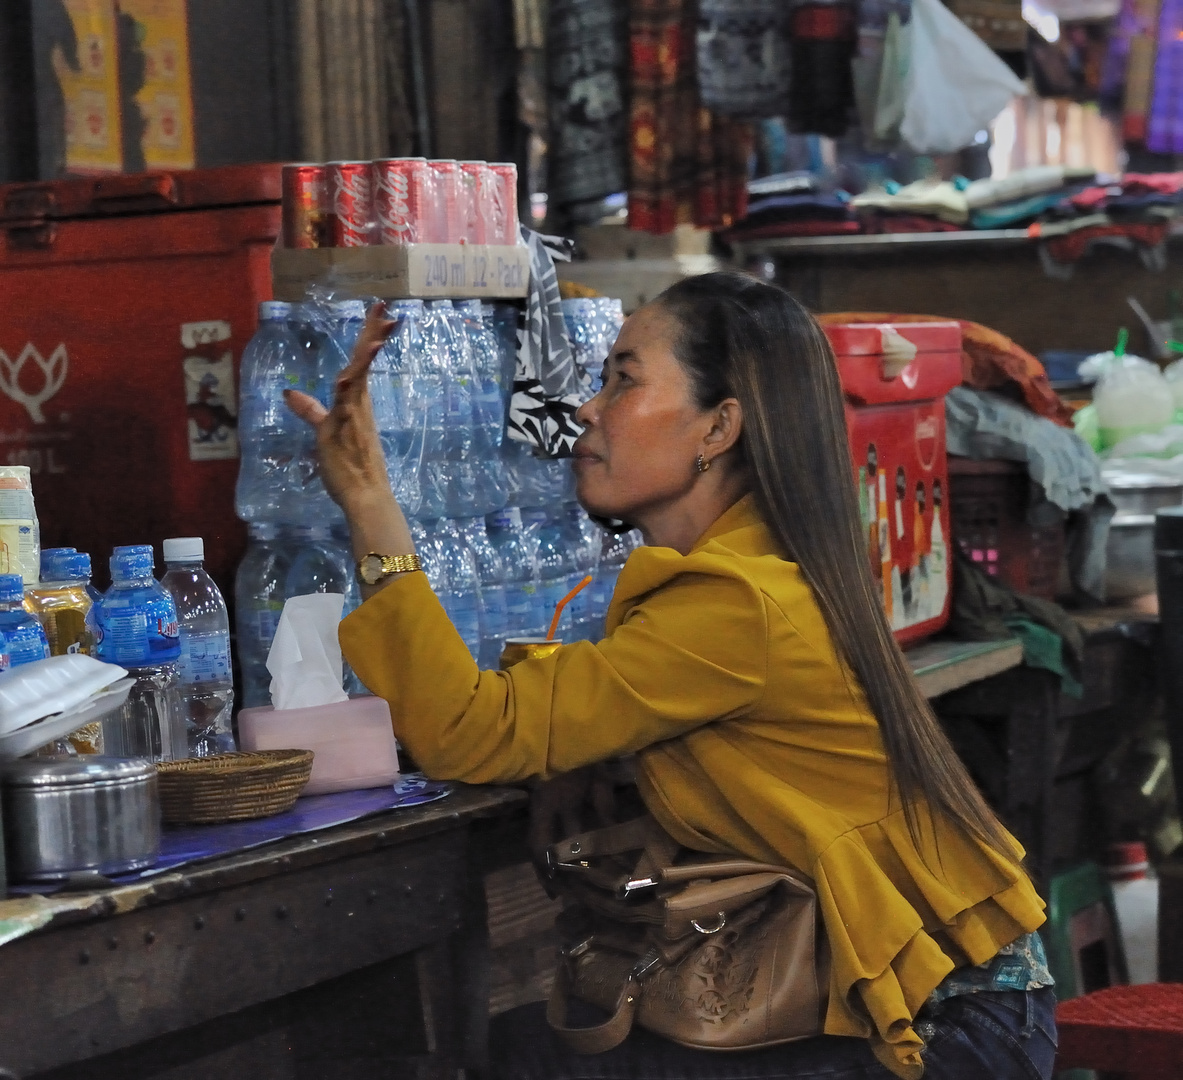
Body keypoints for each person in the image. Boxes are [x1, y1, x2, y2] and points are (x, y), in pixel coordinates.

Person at [286, 271, 1057, 1080]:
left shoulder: (732, 600)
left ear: (718, 428)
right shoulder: (754, 567)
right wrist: (582, 747)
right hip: (958, 999)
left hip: (942, 1026)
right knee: (532, 1049)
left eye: (624, 381)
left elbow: (469, 734)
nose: (589, 409)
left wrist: (372, 503)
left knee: (519, 1057)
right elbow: (606, 696)